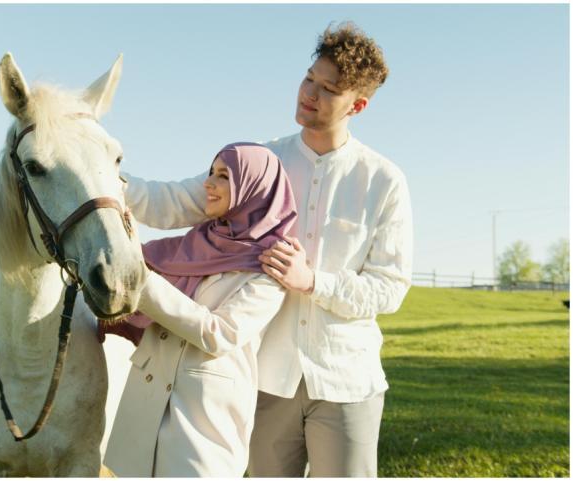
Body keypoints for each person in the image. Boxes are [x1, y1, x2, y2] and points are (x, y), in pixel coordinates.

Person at [118, 22, 413, 477]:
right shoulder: (261, 164)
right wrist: (102, 176)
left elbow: (389, 287)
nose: (309, 93)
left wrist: (313, 281)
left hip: (347, 379)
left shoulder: (383, 181)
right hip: (265, 378)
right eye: (308, 78)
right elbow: (176, 201)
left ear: (357, 105)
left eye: (328, 89)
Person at [103, 142, 298, 477]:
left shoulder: (272, 264)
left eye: (223, 176)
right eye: (211, 173)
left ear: (254, 188)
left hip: (201, 421)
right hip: (144, 405)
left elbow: (219, 334)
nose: (208, 184)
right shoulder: (192, 245)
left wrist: (143, 280)